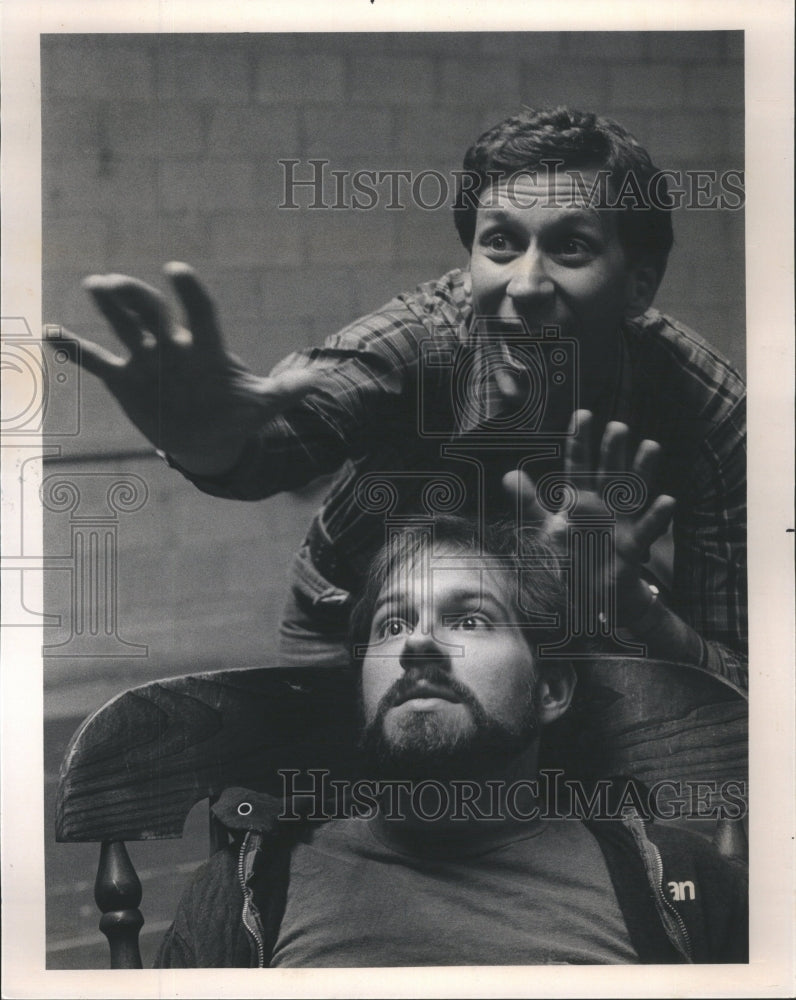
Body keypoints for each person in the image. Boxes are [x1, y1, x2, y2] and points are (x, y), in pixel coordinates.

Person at [61, 106, 746, 691]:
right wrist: (208, 440)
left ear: (639, 286)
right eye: (501, 243)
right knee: (350, 816)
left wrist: (629, 602)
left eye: (572, 248)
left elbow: (736, 683)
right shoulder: (424, 339)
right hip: (359, 615)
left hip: (576, 620)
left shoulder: (706, 409)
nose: (526, 285)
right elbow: (276, 445)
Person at [154, 516, 748, 967]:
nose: (417, 645)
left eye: (468, 619)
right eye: (393, 624)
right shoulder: (244, 895)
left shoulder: (677, 881)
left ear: (550, 690)